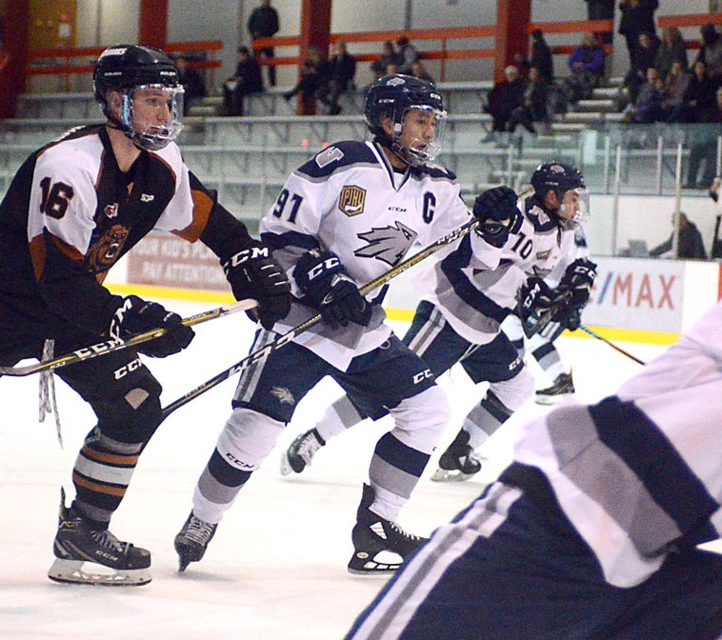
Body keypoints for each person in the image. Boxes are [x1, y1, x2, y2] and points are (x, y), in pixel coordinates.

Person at [0, 45, 293, 587]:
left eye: (169, 101)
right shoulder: (67, 167)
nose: (165, 115)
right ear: (116, 102)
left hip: (70, 312)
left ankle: (84, 531)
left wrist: (245, 260)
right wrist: (126, 317)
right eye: (151, 101)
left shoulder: (161, 164)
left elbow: (209, 219)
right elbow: (58, 279)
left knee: (135, 405)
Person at [172, 74, 528, 575]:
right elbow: (279, 235)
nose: (428, 132)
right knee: (256, 428)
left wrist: (495, 225)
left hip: (364, 328)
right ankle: (203, 518)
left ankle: (378, 526)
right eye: (419, 121)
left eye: (432, 122)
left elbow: (471, 257)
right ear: (388, 121)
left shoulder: (440, 186)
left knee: (426, 412)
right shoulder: (341, 163)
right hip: (304, 317)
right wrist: (323, 278)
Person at [344, 283, 722, 640]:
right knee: (419, 402)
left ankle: (459, 449)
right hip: (559, 525)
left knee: (500, 389)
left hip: (661, 560)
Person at [280, 162, 596, 485]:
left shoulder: (563, 233)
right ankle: (316, 437)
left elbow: (554, 277)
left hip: (485, 328)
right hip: (448, 315)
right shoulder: (514, 216)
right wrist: (525, 290)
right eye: (572, 196)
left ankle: (460, 451)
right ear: (552, 197)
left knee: (518, 385)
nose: (577, 205)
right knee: (387, 390)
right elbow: (475, 260)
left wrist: (571, 298)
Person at [503, 223, 593, 406]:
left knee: (534, 338)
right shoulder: (545, 217)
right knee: (511, 323)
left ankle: (561, 382)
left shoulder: (569, 225)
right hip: (539, 288)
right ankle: (515, 378)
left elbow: (583, 263)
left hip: (556, 293)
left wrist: (575, 302)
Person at [283, 45, 332, 113]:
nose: (311, 56)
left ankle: (292, 94)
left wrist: (315, 72)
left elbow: (325, 75)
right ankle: (305, 110)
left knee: (305, 83)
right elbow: (304, 73)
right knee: (304, 86)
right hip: (312, 83)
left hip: (320, 83)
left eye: (312, 54)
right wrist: (307, 71)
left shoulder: (323, 62)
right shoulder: (309, 62)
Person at [505, 65, 550, 134]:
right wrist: (524, 102)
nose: (533, 75)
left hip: (535, 109)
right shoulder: (525, 85)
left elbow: (541, 99)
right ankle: (531, 131)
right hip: (524, 109)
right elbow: (519, 97)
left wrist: (532, 102)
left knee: (517, 114)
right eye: (531, 73)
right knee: (516, 114)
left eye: (534, 73)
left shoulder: (542, 86)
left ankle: (510, 135)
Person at [483, 65, 526, 132]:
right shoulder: (502, 85)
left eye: (513, 75)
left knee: (500, 113)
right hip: (502, 107)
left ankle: (496, 131)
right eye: (509, 75)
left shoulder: (521, 85)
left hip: (513, 107)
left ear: (516, 75)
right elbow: (492, 95)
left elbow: (519, 98)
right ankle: (497, 131)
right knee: (497, 110)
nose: (511, 77)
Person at [223, 46, 264, 116]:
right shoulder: (240, 64)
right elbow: (237, 74)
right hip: (244, 84)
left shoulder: (252, 62)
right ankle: (228, 108)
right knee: (227, 86)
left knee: (238, 89)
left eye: (240, 55)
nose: (239, 57)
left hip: (253, 85)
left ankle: (238, 111)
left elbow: (253, 77)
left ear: (244, 54)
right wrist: (232, 79)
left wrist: (242, 79)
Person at [247, 0, 280, 87]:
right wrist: (255, 34)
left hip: (268, 40)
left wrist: (267, 33)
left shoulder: (273, 12)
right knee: (256, 64)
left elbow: (276, 27)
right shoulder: (256, 11)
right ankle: (258, 83)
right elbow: (249, 26)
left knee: (271, 63)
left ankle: (272, 84)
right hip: (257, 41)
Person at [617, 0, 659, 67]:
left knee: (645, 52)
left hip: (643, 27)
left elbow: (654, 4)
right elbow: (622, 8)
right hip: (629, 27)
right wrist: (623, 3)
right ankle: (634, 71)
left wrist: (639, 4)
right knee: (632, 53)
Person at [321, 40, 358, 115]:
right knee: (319, 93)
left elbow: (350, 73)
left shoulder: (350, 60)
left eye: (342, 48)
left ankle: (332, 110)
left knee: (336, 90)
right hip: (332, 82)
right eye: (339, 48)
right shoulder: (333, 60)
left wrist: (337, 81)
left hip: (342, 82)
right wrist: (330, 81)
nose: (340, 50)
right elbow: (329, 72)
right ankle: (334, 106)